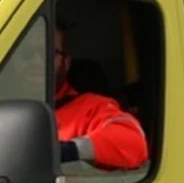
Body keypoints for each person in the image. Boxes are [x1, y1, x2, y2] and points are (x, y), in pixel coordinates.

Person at [54, 23, 149, 171]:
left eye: (48, 52)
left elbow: (134, 143)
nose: (36, 59)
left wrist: (70, 150)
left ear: (66, 62)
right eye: (26, 53)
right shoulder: (5, 102)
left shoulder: (90, 107)